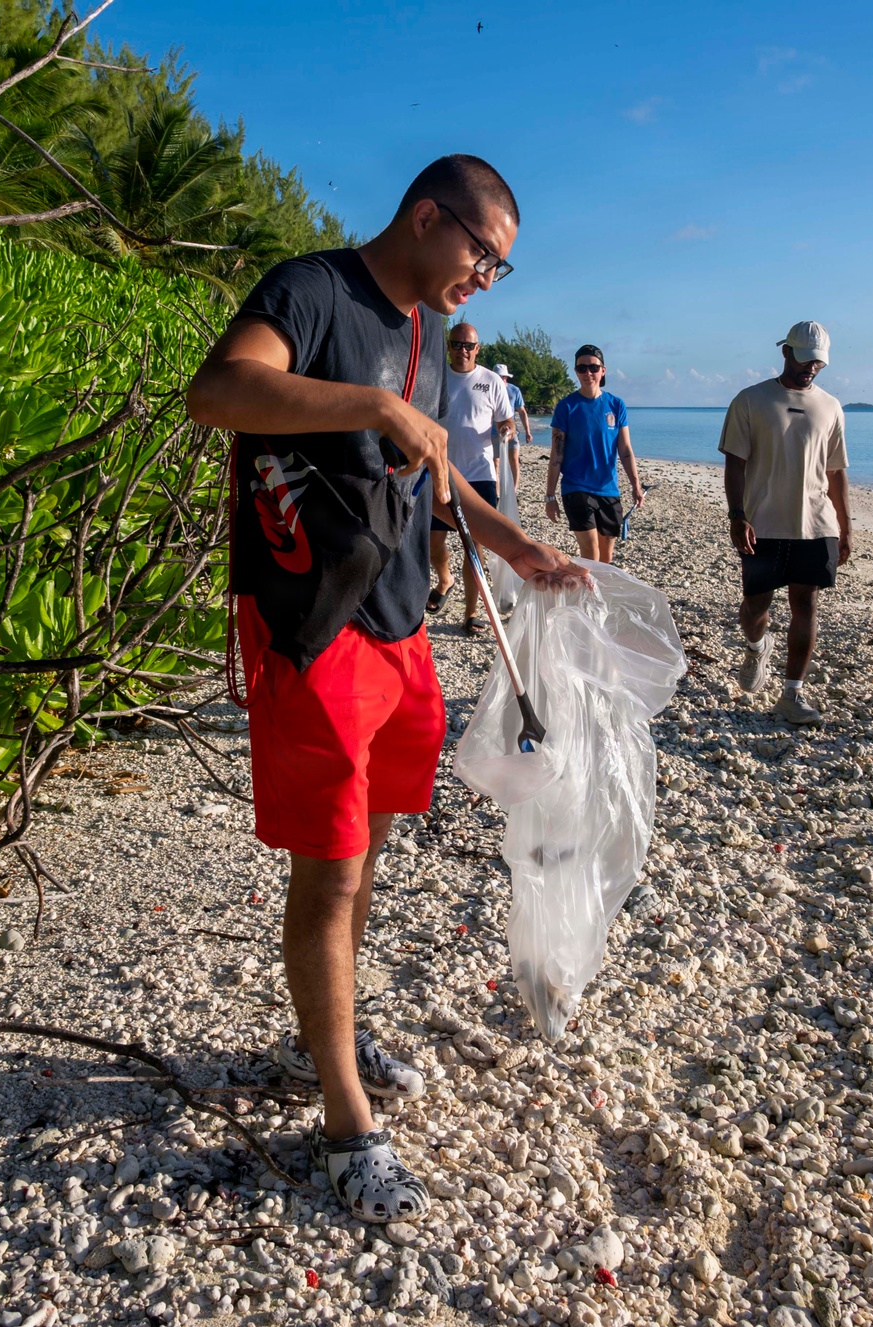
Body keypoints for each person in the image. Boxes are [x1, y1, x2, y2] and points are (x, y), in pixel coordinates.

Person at [186, 154, 584, 1224]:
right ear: (425, 217)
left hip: (399, 625)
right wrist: (367, 400)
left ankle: (326, 1033)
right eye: (483, 255)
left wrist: (518, 548)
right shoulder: (311, 291)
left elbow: (434, 480)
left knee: (369, 857)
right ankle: (343, 1123)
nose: (486, 282)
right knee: (329, 873)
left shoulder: (419, 333)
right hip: (314, 630)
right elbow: (216, 394)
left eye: (500, 268)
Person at [719, 320, 851, 726]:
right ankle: (757, 646)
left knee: (806, 604)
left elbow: (836, 472)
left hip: (815, 524)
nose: (811, 368)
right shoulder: (750, 400)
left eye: (819, 363)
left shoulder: (830, 406)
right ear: (786, 352)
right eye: (805, 359)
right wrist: (737, 515)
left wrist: (846, 528)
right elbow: (735, 463)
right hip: (762, 523)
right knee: (756, 606)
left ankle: (791, 693)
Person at [428, 323, 514, 633]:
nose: (462, 350)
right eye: (457, 344)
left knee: (474, 548)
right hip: (441, 470)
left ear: (478, 349)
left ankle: (471, 613)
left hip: (479, 474)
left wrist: (506, 431)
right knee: (432, 543)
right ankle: (444, 578)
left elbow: (507, 421)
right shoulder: (435, 375)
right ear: (448, 346)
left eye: (469, 345)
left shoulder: (491, 381)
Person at [545, 344, 645, 563]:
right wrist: (550, 496)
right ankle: (589, 597)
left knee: (606, 558)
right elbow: (556, 455)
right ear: (576, 372)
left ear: (603, 370)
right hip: (576, 487)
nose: (588, 373)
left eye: (593, 367)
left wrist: (636, 484)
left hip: (608, 489)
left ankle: (600, 597)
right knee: (590, 553)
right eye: (582, 368)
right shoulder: (566, 407)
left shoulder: (616, 405)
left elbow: (625, 450)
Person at [493, 361, 532, 489]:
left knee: (514, 460)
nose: (502, 379)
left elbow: (522, 412)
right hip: (493, 432)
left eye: (504, 377)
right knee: (495, 463)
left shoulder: (514, 390)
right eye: (499, 377)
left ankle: (514, 490)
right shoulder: (489, 389)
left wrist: (527, 431)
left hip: (511, 432)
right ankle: (497, 493)